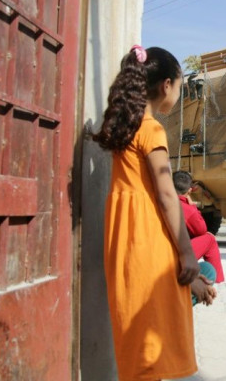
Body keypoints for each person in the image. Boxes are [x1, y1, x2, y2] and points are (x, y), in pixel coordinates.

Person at [92, 45, 205, 380]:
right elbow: (167, 196)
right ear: (166, 85)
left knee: (138, 331)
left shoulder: (126, 128)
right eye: (180, 88)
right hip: (147, 239)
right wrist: (188, 255)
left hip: (124, 242)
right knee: (156, 335)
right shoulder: (152, 129)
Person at [173, 170, 226, 283]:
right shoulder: (186, 208)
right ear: (190, 190)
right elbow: (201, 230)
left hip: (157, 252)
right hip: (172, 257)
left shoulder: (158, 202)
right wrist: (192, 207)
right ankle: (218, 282)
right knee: (209, 239)